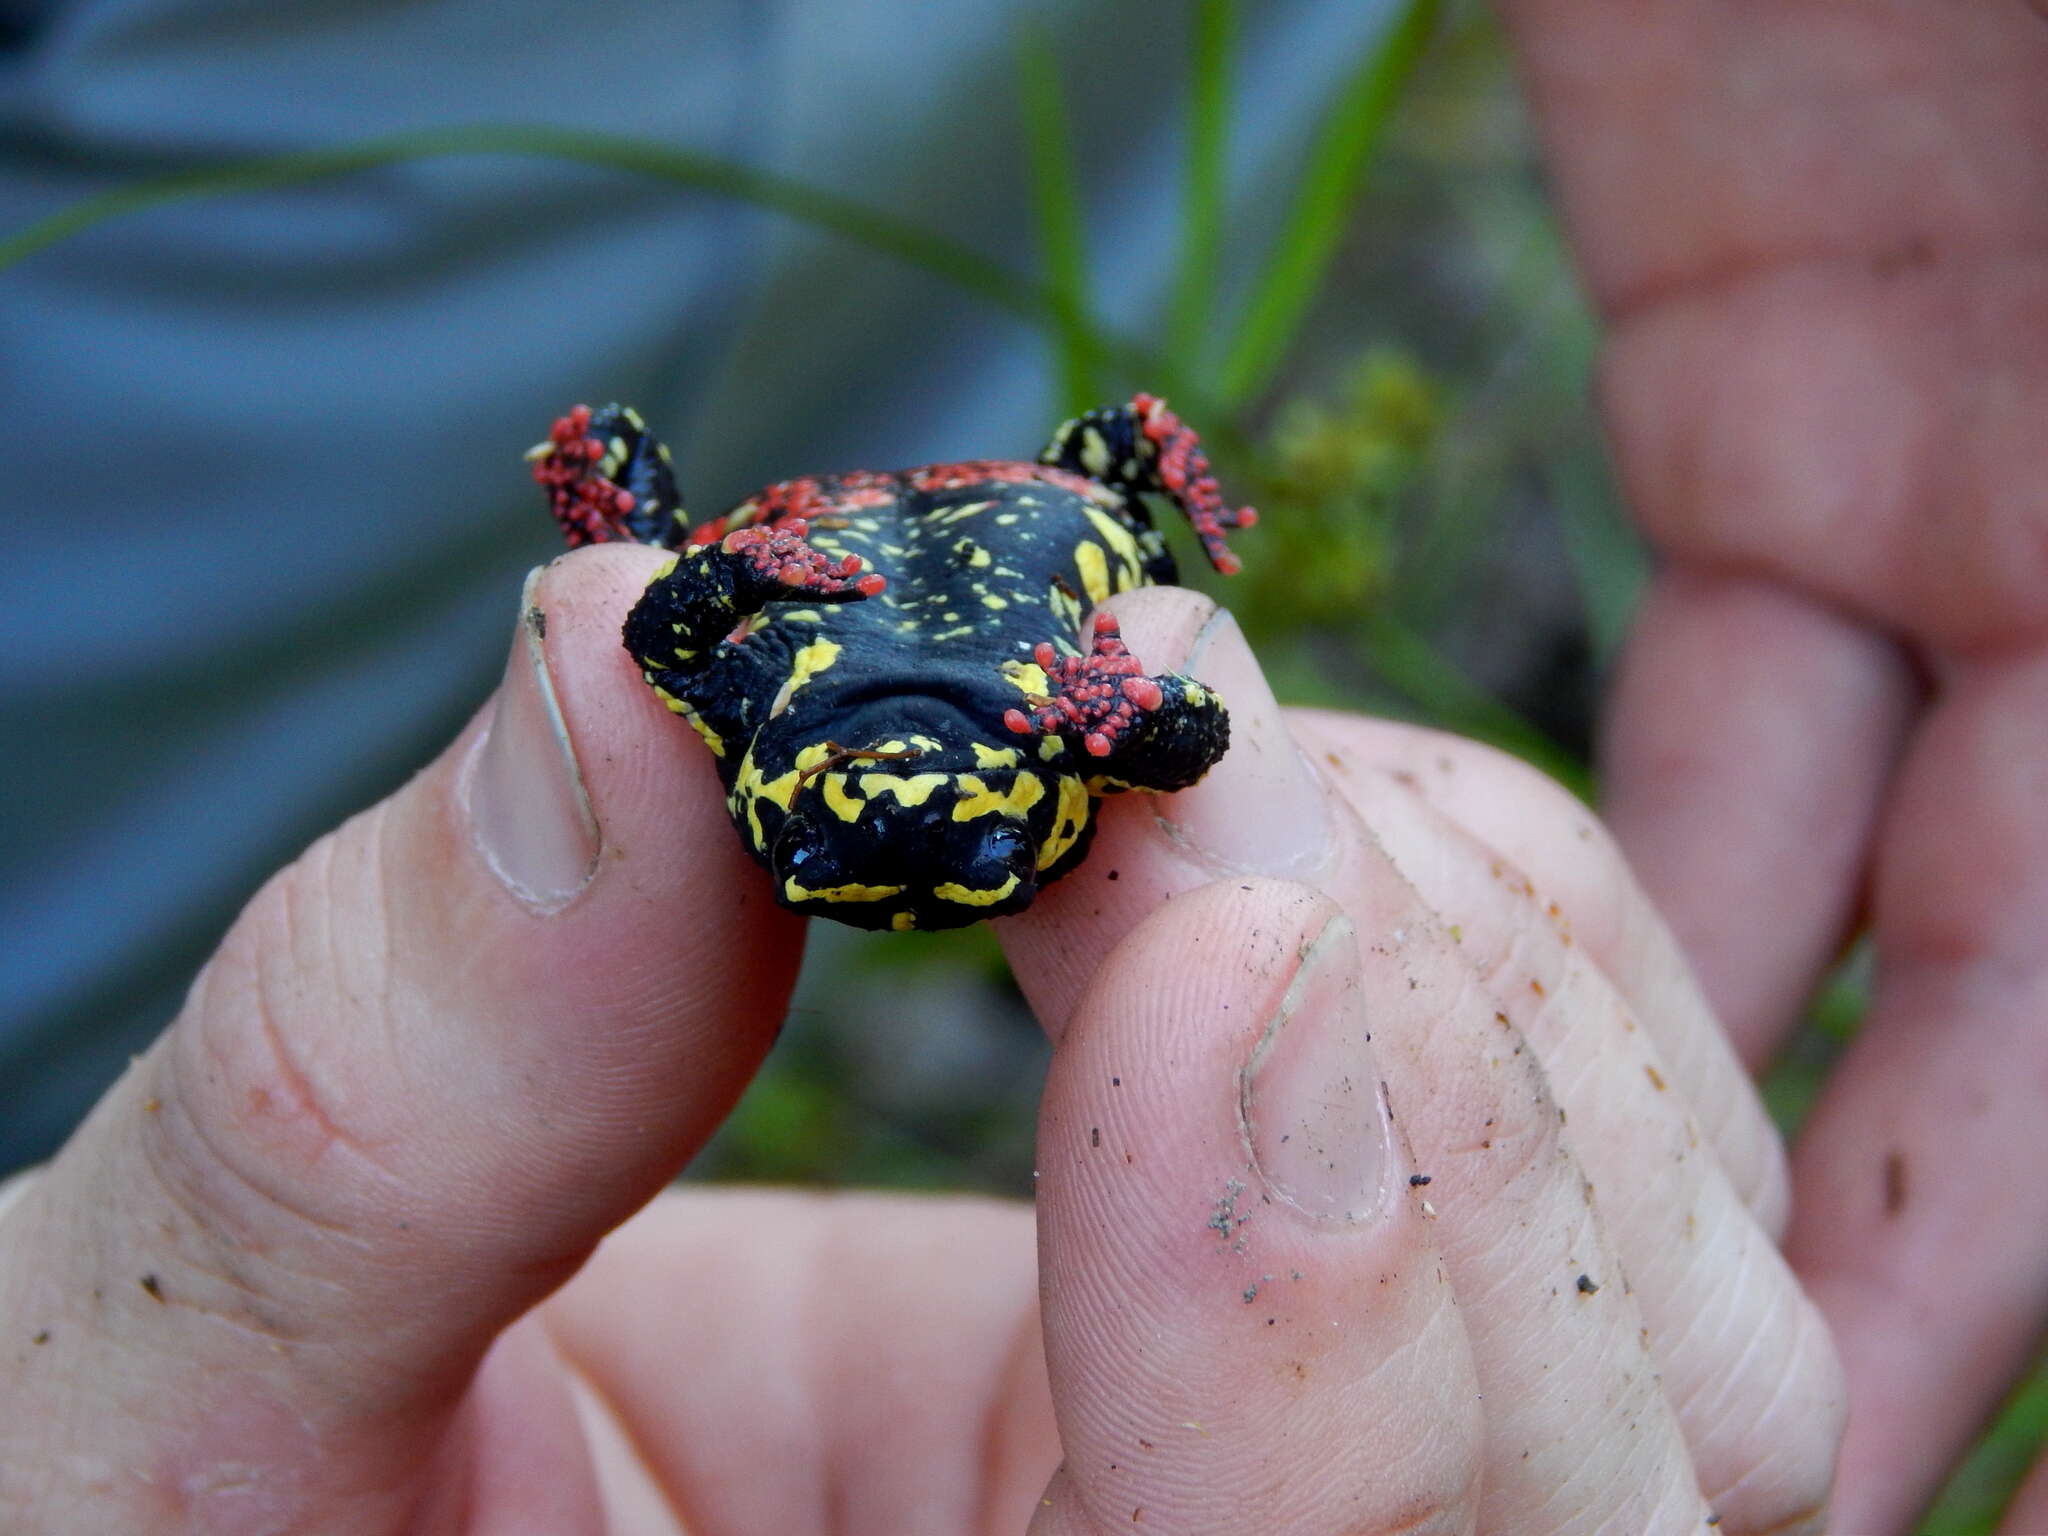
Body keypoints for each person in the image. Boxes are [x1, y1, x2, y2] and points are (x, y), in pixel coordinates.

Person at [3, 2, 2044, 1531]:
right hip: (949, 564)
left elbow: (674, 613)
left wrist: (694, 573)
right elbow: (1137, 719)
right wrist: (1064, 711)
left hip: (884, 526)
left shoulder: (795, 713)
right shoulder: (980, 746)